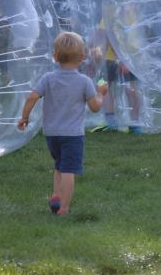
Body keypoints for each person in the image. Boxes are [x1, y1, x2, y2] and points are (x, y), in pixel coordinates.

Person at [18, 32, 107, 214]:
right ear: (82, 57)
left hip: (51, 133)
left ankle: (56, 195)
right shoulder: (84, 82)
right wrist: (101, 94)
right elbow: (95, 107)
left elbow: (32, 96)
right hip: (72, 134)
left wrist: (24, 117)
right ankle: (64, 208)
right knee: (69, 170)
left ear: (55, 56)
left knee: (59, 165)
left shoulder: (48, 78)